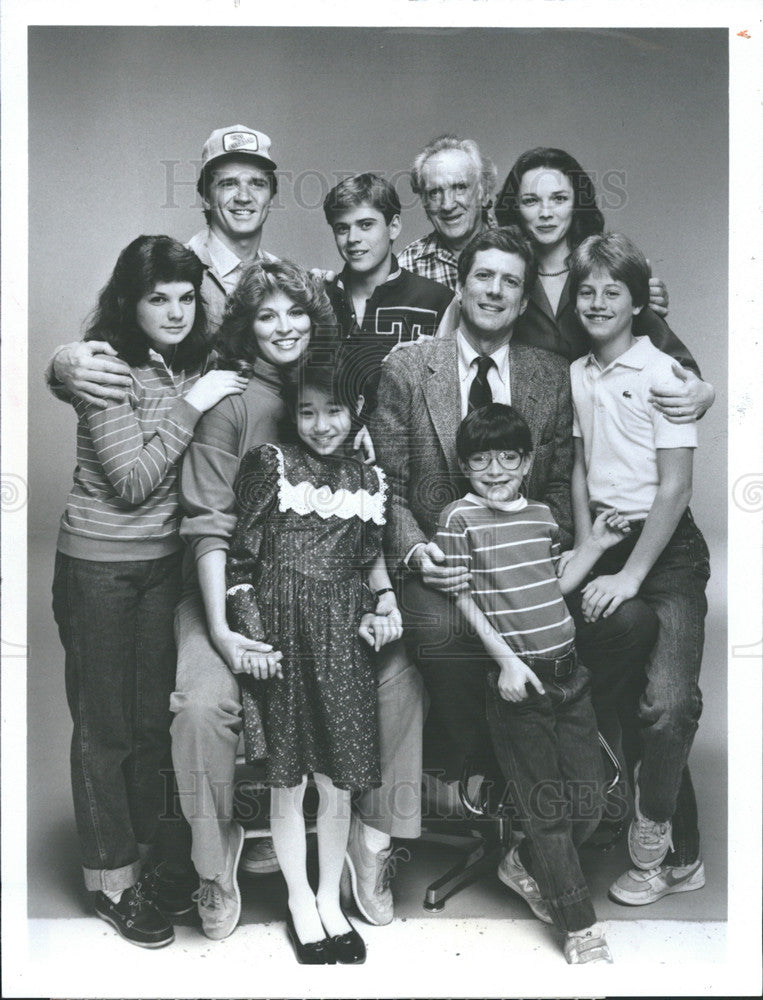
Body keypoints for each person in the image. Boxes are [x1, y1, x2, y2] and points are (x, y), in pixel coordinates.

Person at [51, 235, 249, 948]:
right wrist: (193, 405)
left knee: (145, 726)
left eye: (185, 297)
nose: (173, 310)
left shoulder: (181, 361)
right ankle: (111, 882)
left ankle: (146, 862)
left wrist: (197, 388)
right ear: (129, 302)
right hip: (99, 568)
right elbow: (133, 481)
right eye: (157, 297)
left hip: (161, 566)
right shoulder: (106, 364)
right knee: (103, 730)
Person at [372, 225, 573, 786]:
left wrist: (553, 547)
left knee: (619, 624)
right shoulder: (408, 368)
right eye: (483, 276)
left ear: (525, 300)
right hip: (445, 564)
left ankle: (560, 772)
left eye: (510, 282)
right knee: (440, 634)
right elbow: (386, 482)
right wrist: (415, 554)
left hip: (524, 558)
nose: (494, 290)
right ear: (460, 286)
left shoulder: (550, 376)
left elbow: (556, 485)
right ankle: (487, 775)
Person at [434, 402, 634, 963]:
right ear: (464, 465)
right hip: (518, 685)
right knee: (547, 810)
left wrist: (593, 545)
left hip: (572, 676)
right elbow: (462, 597)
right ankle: (579, 926)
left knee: (589, 800)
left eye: (507, 458)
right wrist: (505, 663)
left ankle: (522, 862)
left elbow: (558, 584)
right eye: (480, 460)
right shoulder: (459, 519)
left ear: (526, 462)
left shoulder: (544, 515)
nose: (494, 471)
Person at [225, 355, 403, 963]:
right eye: (307, 411)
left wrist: (385, 601)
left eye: (334, 411)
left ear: (356, 413)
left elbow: (371, 558)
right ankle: (300, 900)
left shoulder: (370, 480)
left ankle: (331, 896)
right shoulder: (270, 466)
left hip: (342, 640)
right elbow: (240, 566)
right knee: (289, 777)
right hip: (282, 633)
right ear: (292, 413)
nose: (321, 424)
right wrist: (255, 643)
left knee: (337, 778)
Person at [568, 232, 710, 906]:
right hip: (610, 546)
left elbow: (674, 489)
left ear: (635, 304)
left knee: (668, 702)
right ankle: (679, 848)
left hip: (667, 556)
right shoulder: (578, 373)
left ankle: (652, 832)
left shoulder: (664, 374)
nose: (596, 302)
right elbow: (577, 464)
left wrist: (629, 577)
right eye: (585, 290)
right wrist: (584, 546)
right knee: (625, 697)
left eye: (611, 292)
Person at [45, 123, 279, 407]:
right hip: (182, 444)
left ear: (270, 197)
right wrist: (60, 365)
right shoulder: (169, 270)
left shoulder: (285, 278)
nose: (244, 196)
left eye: (257, 183)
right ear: (206, 196)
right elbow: (110, 338)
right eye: (228, 183)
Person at [493, 146, 714, 422]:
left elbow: (680, 366)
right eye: (531, 201)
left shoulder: (606, 268)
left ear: (577, 203)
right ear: (516, 208)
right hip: (530, 445)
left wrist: (703, 391)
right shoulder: (503, 277)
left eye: (559, 198)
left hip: (603, 438)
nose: (546, 212)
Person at [322, 172, 453, 414]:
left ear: (393, 227)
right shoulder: (318, 298)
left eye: (365, 225)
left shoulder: (438, 301)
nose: (353, 239)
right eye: (342, 228)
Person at [398, 134, 496, 290]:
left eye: (460, 187)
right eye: (435, 192)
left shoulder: (519, 252)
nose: (447, 205)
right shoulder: (406, 267)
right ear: (424, 202)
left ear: (483, 194)